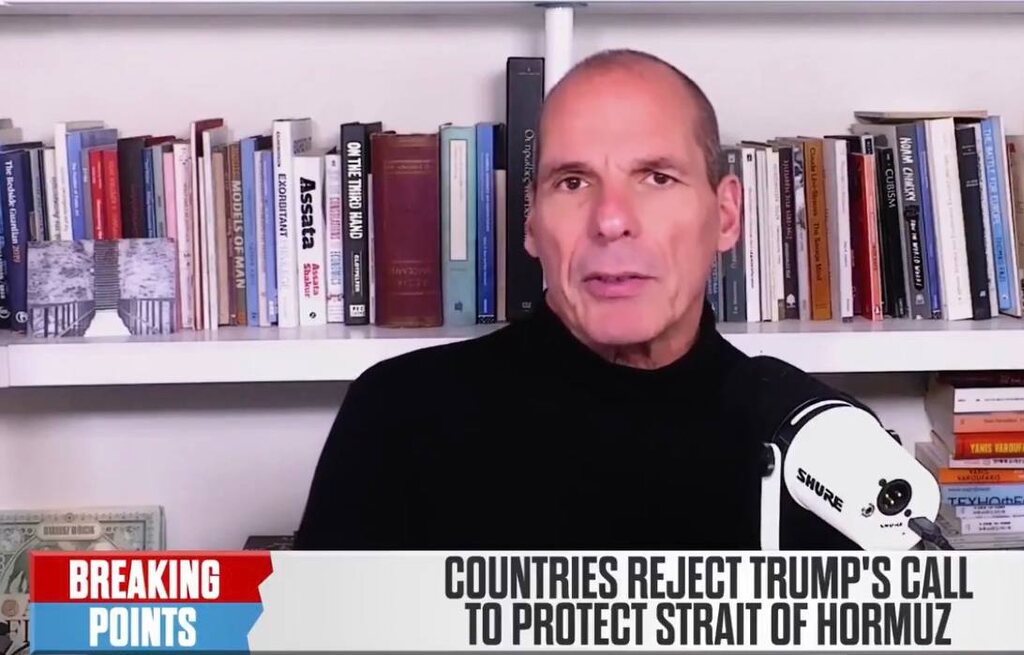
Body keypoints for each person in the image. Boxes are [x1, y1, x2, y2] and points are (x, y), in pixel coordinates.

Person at [293, 49, 858, 550]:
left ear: (727, 216)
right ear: (532, 223)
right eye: (572, 182)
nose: (610, 221)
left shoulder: (825, 446)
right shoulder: (397, 417)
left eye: (656, 177)